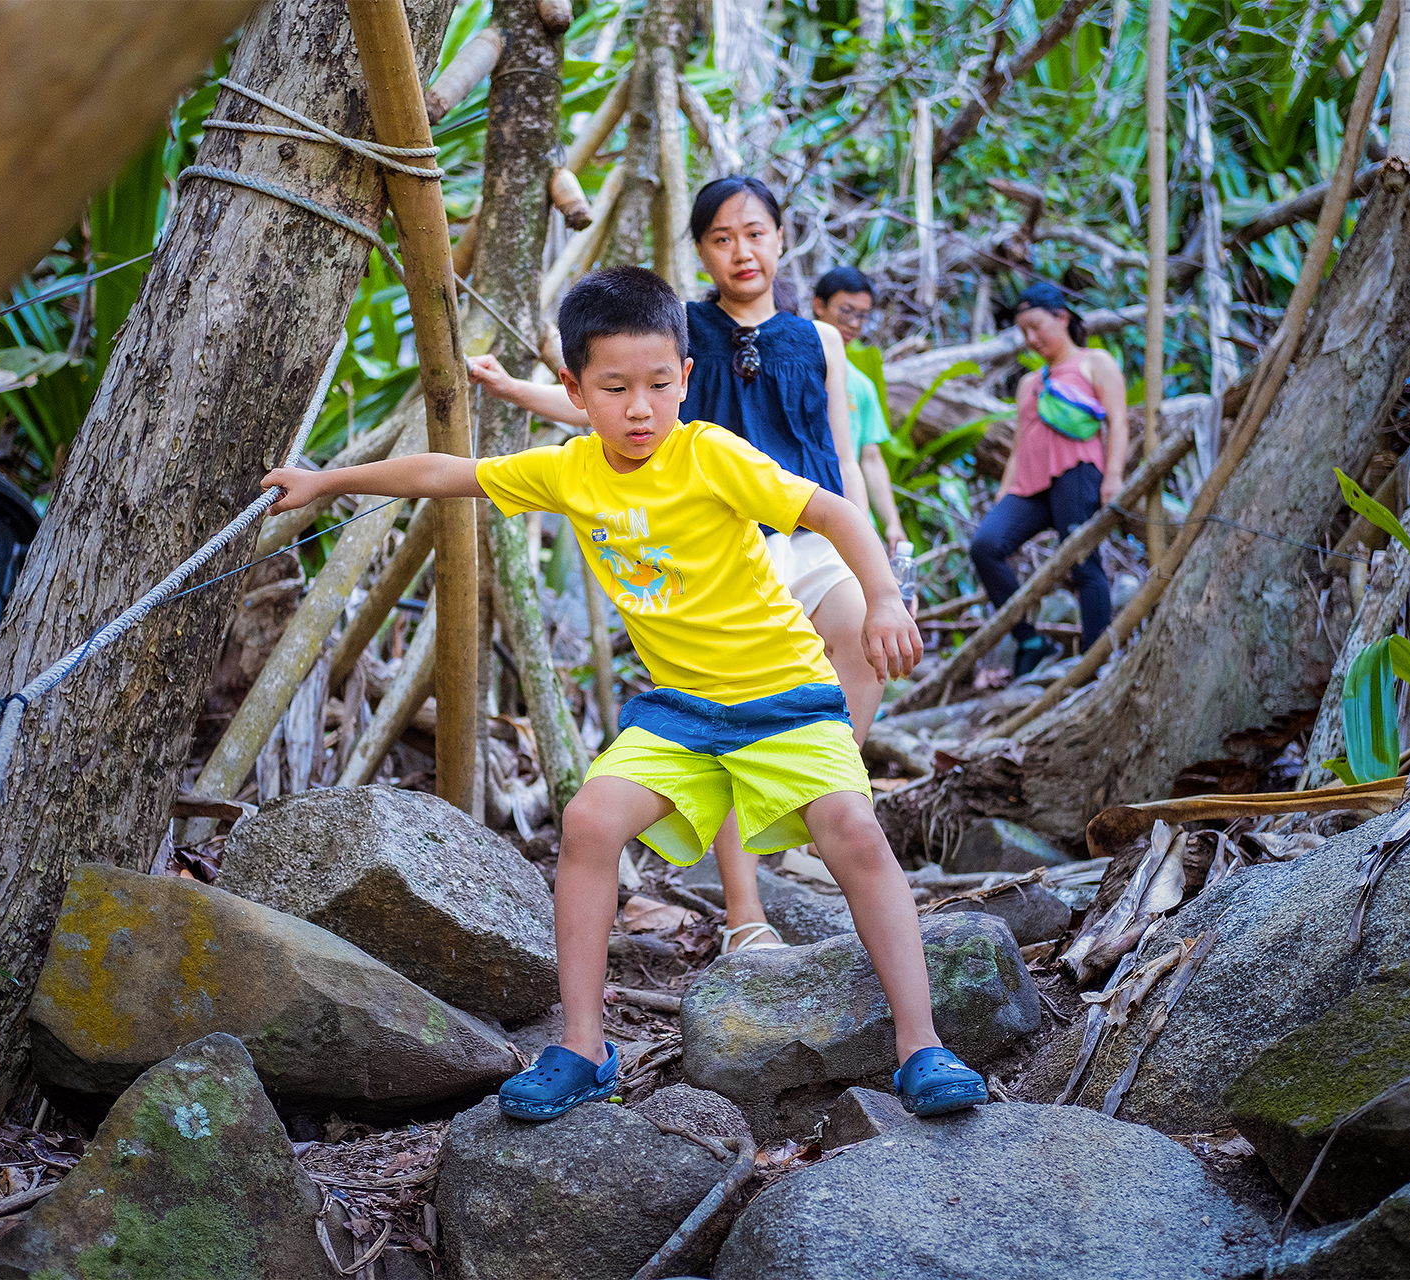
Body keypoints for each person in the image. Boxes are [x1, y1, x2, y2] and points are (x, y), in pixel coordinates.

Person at [262, 266, 989, 1121]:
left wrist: (884, 597)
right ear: (574, 389)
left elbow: (833, 513)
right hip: (682, 708)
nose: (639, 408)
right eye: (614, 388)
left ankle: (920, 1045)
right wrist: (327, 483)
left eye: (657, 384)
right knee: (589, 821)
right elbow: (444, 473)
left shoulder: (709, 453)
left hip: (785, 694)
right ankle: (581, 1046)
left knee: (853, 830)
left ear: (686, 377)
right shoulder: (572, 472)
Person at [469, 176, 878, 959]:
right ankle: (745, 908)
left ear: (782, 239)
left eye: (755, 233)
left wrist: (871, 549)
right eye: (722, 238)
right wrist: (515, 387)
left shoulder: (818, 338)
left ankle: (810, 798)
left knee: (858, 639)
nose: (742, 250)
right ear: (701, 252)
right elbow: (615, 402)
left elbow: (841, 448)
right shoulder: (683, 328)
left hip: (810, 518)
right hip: (730, 534)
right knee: (727, 702)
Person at [969, 280, 1128, 677]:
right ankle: (1030, 640)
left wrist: (1113, 477)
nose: (1031, 338)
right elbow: (1021, 446)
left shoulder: (1095, 363)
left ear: (1062, 317)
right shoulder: (1029, 383)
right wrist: (1003, 496)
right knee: (985, 545)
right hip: (1031, 486)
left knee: (1082, 562)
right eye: (1024, 332)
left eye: (1037, 326)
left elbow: (1120, 423)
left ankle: (1094, 664)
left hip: (1079, 473)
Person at [811, 266, 904, 552]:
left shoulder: (862, 385)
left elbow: (871, 458)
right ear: (819, 306)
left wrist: (892, 522)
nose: (854, 323)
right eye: (846, 310)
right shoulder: (788, 368)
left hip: (851, 511)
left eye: (863, 315)